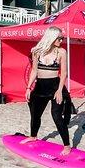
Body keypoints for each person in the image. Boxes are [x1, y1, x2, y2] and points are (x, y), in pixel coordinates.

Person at [22, 26, 71, 155]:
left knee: (56, 116)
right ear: (52, 37)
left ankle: (67, 145)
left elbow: (64, 73)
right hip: (40, 87)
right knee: (35, 114)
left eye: (62, 38)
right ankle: (33, 136)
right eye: (59, 38)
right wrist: (28, 88)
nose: (61, 40)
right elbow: (34, 71)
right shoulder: (37, 51)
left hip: (55, 87)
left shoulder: (61, 52)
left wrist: (60, 90)